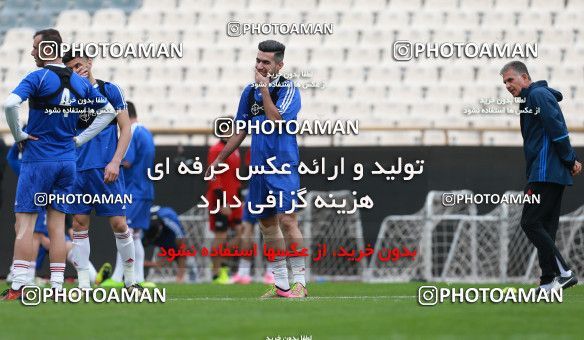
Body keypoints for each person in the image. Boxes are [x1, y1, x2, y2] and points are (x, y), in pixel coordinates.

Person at [2, 29, 117, 300]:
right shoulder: (78, 82)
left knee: (25, 226)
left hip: (39, 159)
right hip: (67, 161)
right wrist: (78, 140)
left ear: (46, 49)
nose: (32, 52)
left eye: (35, 47)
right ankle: (56, 287)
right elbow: (108, 112)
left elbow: (10, 104)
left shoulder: (38, 77)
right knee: (57, 227)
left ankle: (18, 286)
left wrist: (18, 134)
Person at [206, 40, 306, 298]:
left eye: (266, 62)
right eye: (258, 60)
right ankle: (282, 284)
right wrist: (220, 160)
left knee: (287, 220)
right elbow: (240, 129)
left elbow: (277, 120)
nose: (260, 66)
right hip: (259, 167)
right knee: (267, 224)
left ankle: (300, 283)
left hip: (283, 164)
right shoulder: (248, 93)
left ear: (279, 65)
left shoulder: (288, 89)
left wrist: (263, 90)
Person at [500, 60, 581, 292]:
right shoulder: (531, 99)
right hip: (547, 172)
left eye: (510, 80)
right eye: (504, 82)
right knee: (546, 227)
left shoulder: (536, 95)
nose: (507, 85)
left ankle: (564, 273)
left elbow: (557, 129)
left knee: (530, 222)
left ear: (524, 77)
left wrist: (569, 159)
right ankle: (547, 282)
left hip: (546, 172)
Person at [62, 51, 139, 290]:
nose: (77, 70)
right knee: (79, 226)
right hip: (78, 171)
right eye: (71, 68)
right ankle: (84, 283)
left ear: (89, 63)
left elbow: (126, 129)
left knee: (119, 224)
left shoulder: (111, 90)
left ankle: (131, 281)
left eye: (79, 65)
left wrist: (116, 161)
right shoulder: (67, 99)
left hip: (107, 169)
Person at [102, 101, 156, 288]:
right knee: (136, 235)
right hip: (146, 189)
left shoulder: (132, 132)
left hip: (134, 190)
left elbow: (127, 161)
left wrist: (108, 162)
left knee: (125, 233)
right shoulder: (146, 132)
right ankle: (139, 278)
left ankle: (118, 278)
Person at [206, 117, 242, 284]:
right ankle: (216, 273)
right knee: (221, 235)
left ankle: (223, 264)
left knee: (241, 232)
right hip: (220, 200)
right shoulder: (216, 150)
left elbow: (235, 177)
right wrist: (223, 202)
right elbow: (214, 177)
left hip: (234, 200)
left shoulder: (235, 150)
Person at [143, 206, 187, 283]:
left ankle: (180, 278)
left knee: (180, 251)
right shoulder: (140, 228)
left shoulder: (169, 221)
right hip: (148, 229)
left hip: (167, 231)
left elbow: (181, 243)